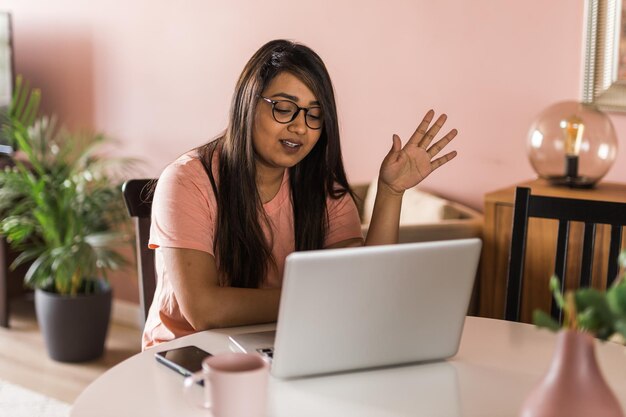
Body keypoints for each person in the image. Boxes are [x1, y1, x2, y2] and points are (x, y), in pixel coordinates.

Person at [142, 39, 458, 349]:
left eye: (314, 114)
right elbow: (205, 311)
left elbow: (366, 287)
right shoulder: (188, 180)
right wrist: (318, 299)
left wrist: (390, 192)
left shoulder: (320, 188)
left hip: (282, 344)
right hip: (188, 355)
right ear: (248, 104)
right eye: (284, 108)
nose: (300, 127)